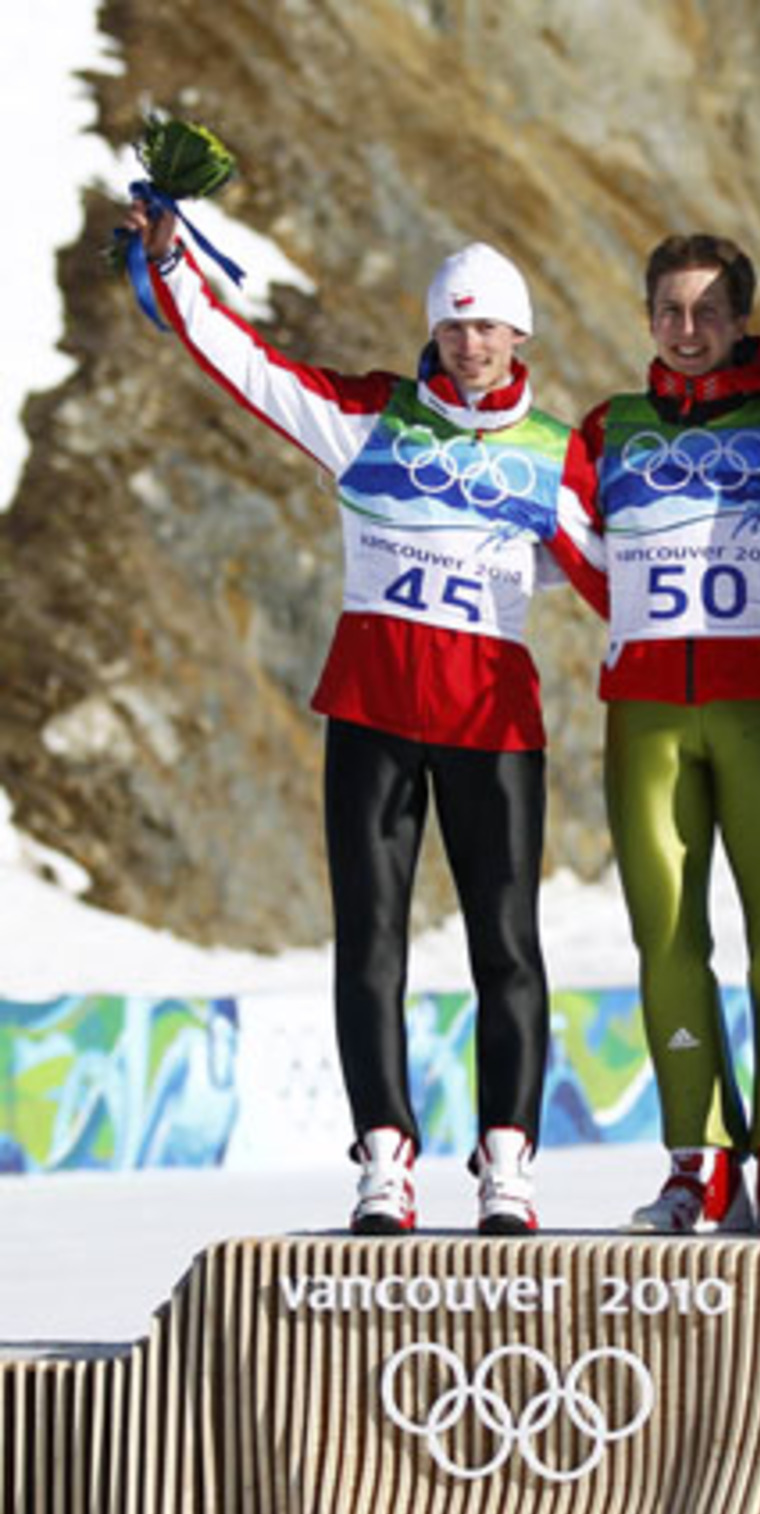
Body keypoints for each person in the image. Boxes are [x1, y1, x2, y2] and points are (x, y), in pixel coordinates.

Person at [123, 201, 607, 1235]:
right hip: (372, 713)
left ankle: (508, 1166)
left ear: (520, 334)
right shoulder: (367, 417)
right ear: (433, 329)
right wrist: (170, 268)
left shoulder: (553, 453)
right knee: (371, 943)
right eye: (453, 325)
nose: (470, 344)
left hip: (493, 725)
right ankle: (384, 1161)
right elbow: (248, 366)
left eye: (488, 326)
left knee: (507, 948)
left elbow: (623, 568)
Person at [578, 234, 760, 1234]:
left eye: (708, 312)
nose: (688, 330)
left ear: (741, 320)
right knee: (668, 943)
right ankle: (699, 1162)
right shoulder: (609, 428)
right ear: (648, 317)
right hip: (646, 713)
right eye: (671, 312)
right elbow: (569, 542)